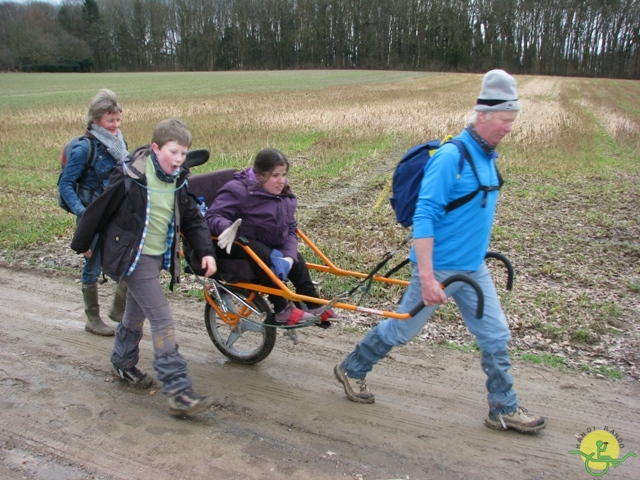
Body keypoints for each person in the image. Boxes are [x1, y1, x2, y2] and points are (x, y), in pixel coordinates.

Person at [334, 70, 547, 434]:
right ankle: (352, 367)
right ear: (483, 115)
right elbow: (425, 216)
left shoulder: (487, 156)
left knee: (495, 336)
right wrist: (429, 277)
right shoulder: (452, 157)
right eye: (505, 120)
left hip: (472, 270)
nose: (509, 128)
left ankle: (503, 407)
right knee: (402, 330)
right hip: (440, 269)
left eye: (513, 120)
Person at [70, 119, 218, 417]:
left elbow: (192, 219)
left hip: (155, 258)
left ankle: (123, 363)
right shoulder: (131, 177)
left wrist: (206, 251)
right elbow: (99, 209)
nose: (178, 159)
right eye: (173, 152)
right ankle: (178, 390)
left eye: (183, 153)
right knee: (163, 320)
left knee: (135, 313)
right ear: (155, 149)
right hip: (131, 258)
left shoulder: (178, 181)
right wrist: (83, 244)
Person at [205, 148, 334, 326]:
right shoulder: (238, 191)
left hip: (267, 243)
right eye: (275, 176)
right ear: (259, 175)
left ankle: (312, 303)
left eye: (283, 174)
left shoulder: (284, 195)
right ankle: (282, 309)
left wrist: (289, 256)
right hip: (232, 245)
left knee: (297, 259)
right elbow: (212, 216)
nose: (281, 181)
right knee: (264, 256)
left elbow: (290, 228)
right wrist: (227, 227)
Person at [58, 89, 129, 337]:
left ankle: (118, 313)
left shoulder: (120, 144)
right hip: (92, 214)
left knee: (125, 258)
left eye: (118, 120)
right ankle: (92, 319)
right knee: (93, 264)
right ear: (95, 121)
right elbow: (66, 185)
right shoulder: (83, 149)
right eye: (110, 121)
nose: (115, 125)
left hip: (115, 212)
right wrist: (83, 214)